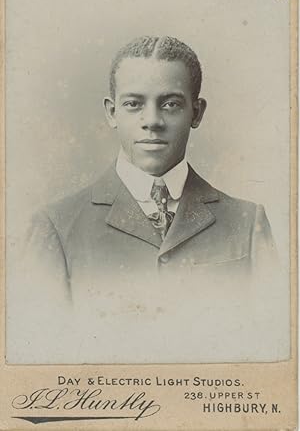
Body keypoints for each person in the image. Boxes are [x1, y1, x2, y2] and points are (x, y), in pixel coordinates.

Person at [17, 36, 288, 363]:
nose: (152, 121)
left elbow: (274, 355)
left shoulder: (247, 223)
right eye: (133, 104)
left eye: (170, 104)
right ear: (111, 112)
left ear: (196, 112)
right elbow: (40, 358)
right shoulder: (55, 227)